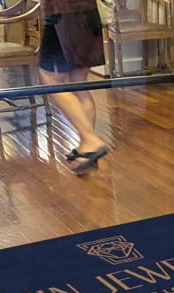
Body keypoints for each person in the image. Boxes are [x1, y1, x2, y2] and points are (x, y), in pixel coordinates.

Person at [39, 0, 109, 175]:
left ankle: (91, 140)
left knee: (51, 79)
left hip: (63, 13)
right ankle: (87, 149)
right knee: (78, 81)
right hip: (86, 12)